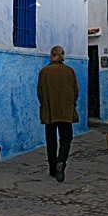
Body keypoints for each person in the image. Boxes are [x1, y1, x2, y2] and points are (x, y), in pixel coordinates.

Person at [37, 45, 79, 182]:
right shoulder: (69, 71)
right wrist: (71, 104)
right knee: (66, 138)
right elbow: (75, 91)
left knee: (51, 141)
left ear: (52, 55)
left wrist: (45, 105)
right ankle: (61, 160)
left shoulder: (44, 72)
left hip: (50, 111)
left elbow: (40, 93)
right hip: (66, 111)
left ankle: (53, 169)